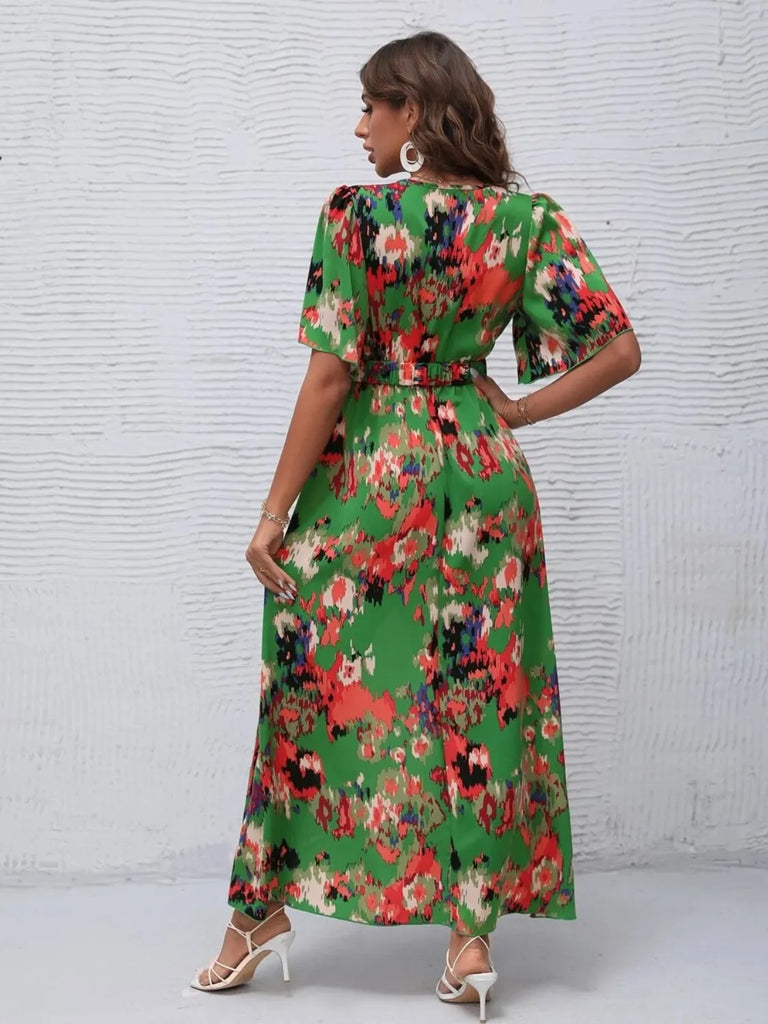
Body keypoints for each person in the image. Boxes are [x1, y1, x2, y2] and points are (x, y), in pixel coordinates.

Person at [189, 29, 641, 1022]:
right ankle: (470, 940)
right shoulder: (524, 219)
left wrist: (271, 513)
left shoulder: (358, 218)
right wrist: (514, 412)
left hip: (373, 475)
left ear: (416, 114)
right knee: (481, 691)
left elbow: (329, 376)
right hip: (481, 474)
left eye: (371, 106)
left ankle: (257, 912)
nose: (360, 128)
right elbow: (620, 351)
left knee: (310, 680)